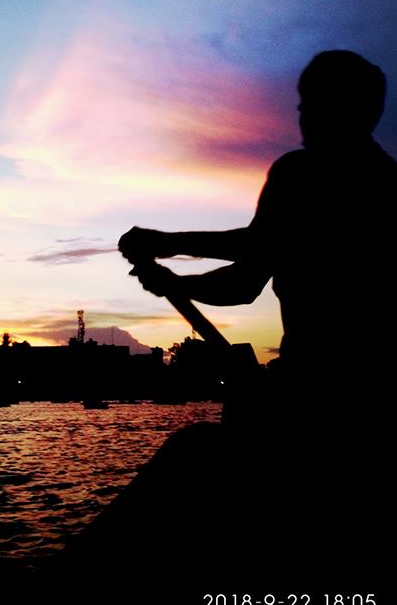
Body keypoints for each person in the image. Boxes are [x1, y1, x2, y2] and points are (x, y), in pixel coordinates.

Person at [119, 50, 396, 422]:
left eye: (309, 104)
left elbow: (249, 267)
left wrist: (170, 259)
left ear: (342, 109)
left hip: (312, 395)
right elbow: (255, 261)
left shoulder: (297, 175)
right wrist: (173, 266)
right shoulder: (387, 182)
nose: (302, 115)